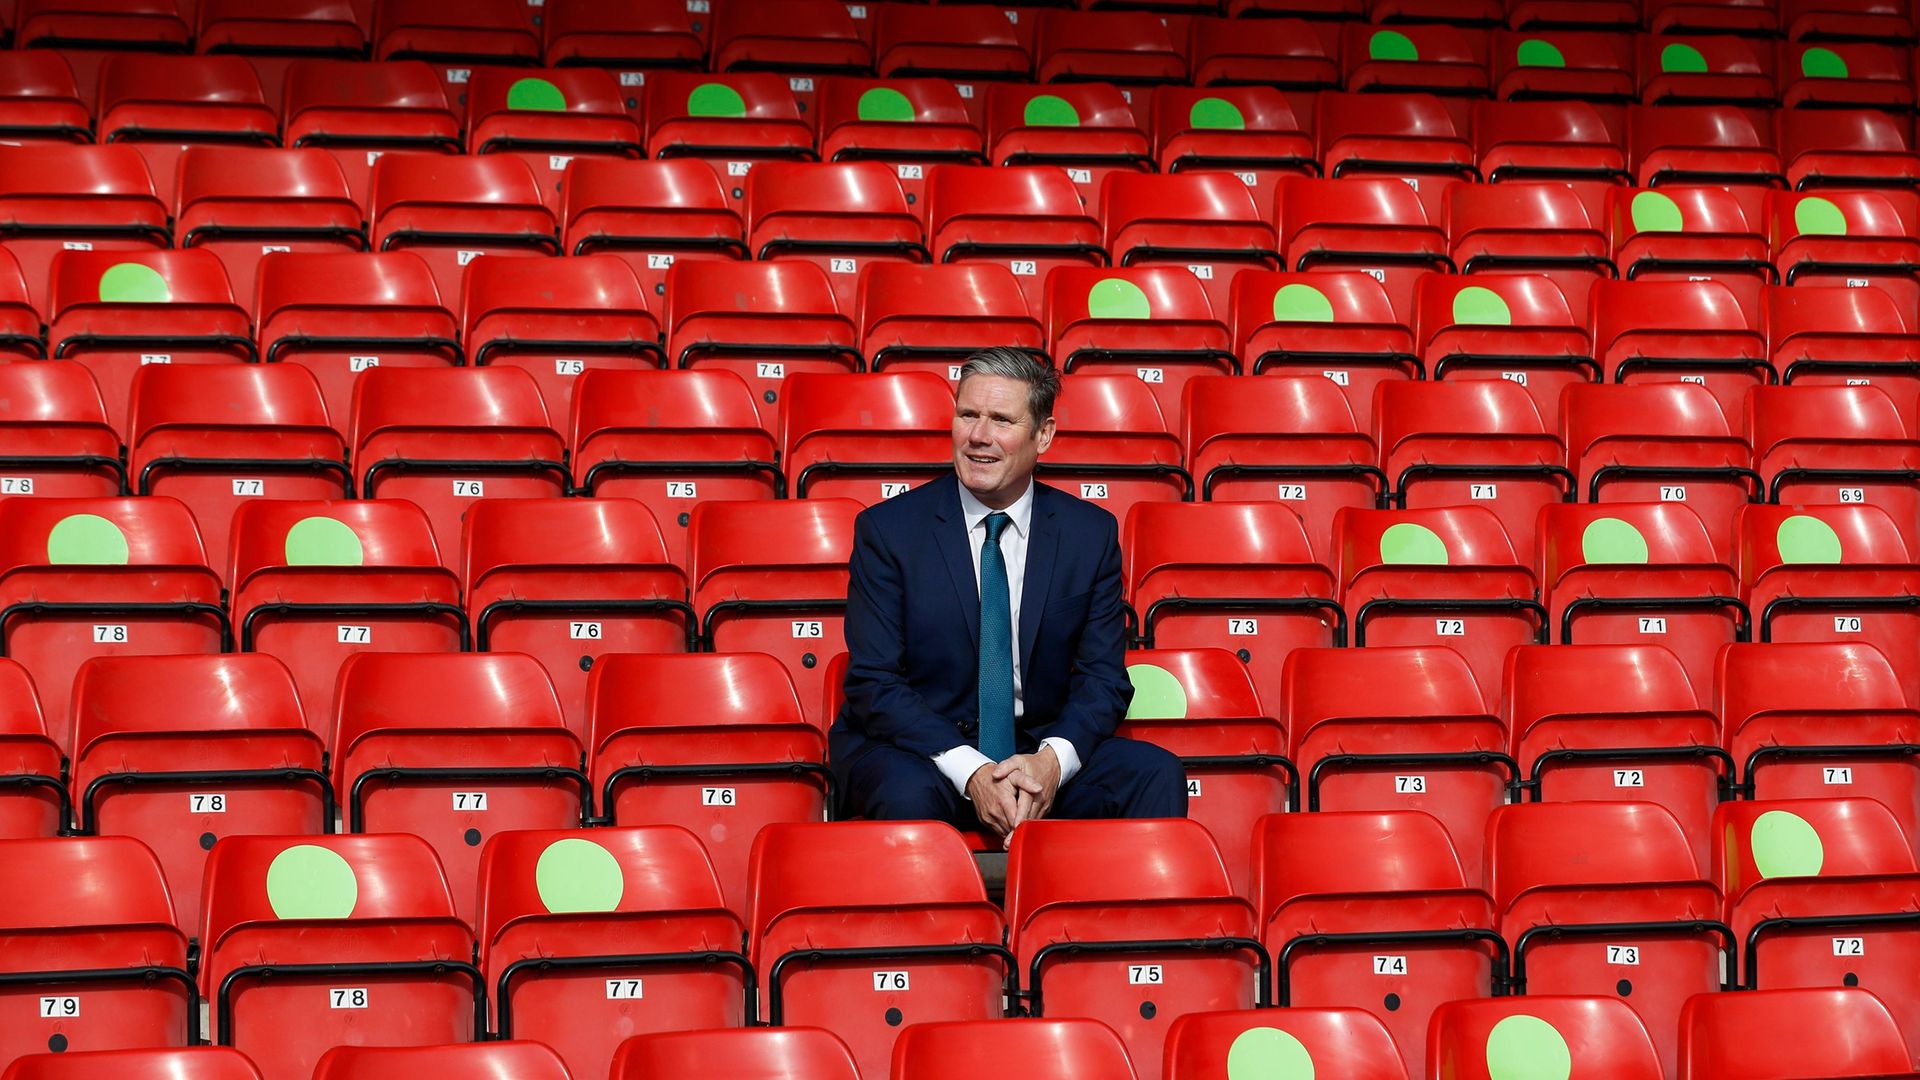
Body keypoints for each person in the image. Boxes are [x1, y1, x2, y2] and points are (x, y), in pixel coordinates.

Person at [830, 346, 1187, 844]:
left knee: (1152, 773)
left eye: (1001, 419)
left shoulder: (1090, 535)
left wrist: (1051, 763)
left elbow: (1103, 679)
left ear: (1043, 435)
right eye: (967, 415)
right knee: (904, 793)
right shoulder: (888, 532)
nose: (979, 436)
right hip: (921, 750)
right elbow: (874, 683)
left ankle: (1125, 924)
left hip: (1032, 749)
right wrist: (972, 771)